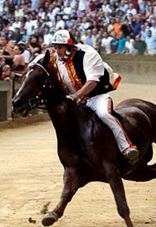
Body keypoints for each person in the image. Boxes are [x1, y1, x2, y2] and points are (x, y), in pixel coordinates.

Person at [51, 30, 140, 163]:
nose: (57, 51)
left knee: (105, 114)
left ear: (69, 47)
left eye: (60, 47)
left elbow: (92, 82)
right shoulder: (56, 60)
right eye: (56, 47)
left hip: (97, 97)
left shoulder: (88, 54)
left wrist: (76, 96)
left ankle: (126, 147)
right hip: (77, 101)